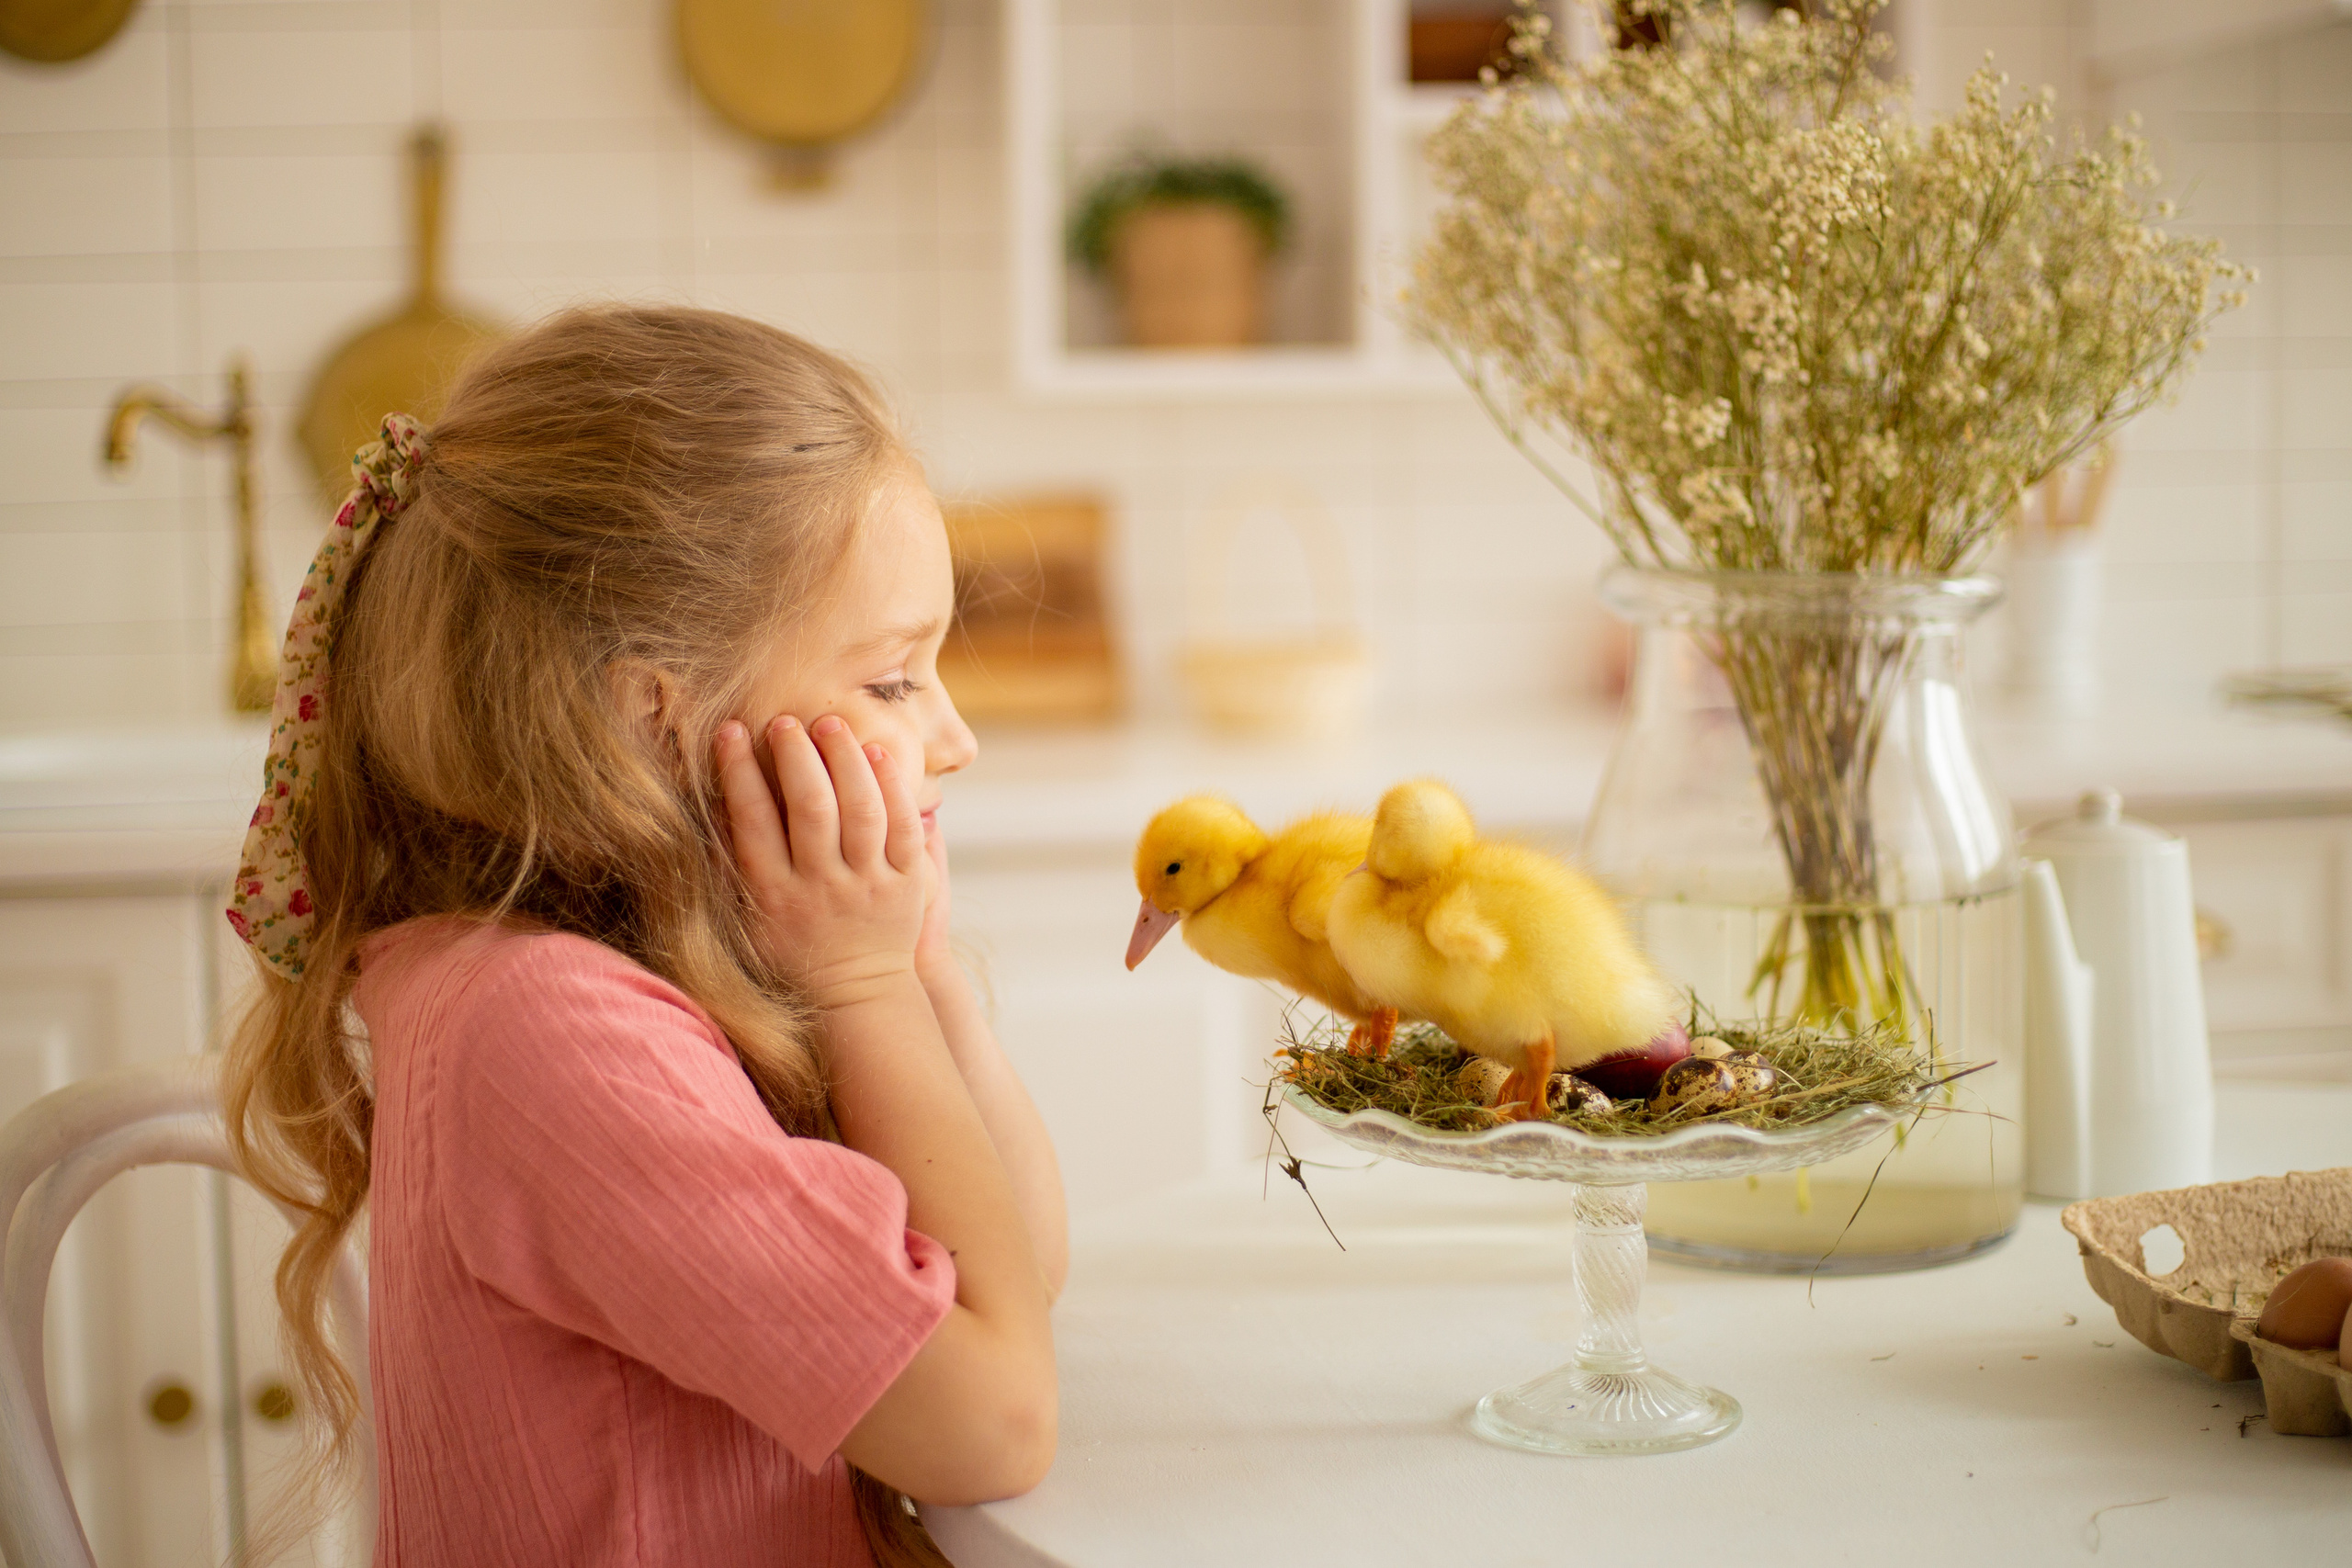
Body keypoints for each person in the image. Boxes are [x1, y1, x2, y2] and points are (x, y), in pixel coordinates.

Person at [223, 305, 1064, 1567]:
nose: (953, 737)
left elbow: (1023, 1280)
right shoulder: (555, 1035)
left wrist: (916, 974)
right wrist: (868, 981)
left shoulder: (664, 968)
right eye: (893, 678)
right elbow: (995, 1422)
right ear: (652, 718)